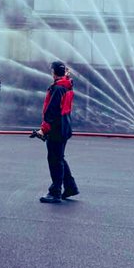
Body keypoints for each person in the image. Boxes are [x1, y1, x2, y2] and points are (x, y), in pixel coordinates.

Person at [39, 60, 79, 204]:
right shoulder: (67, 86)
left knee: (54, 160)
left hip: (56, 128)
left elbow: (51, 111)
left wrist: (43, 129)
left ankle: (55, 192)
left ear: (53, 72)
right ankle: (70, 187)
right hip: (65, 126)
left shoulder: (57, 88)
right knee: (59, 157)